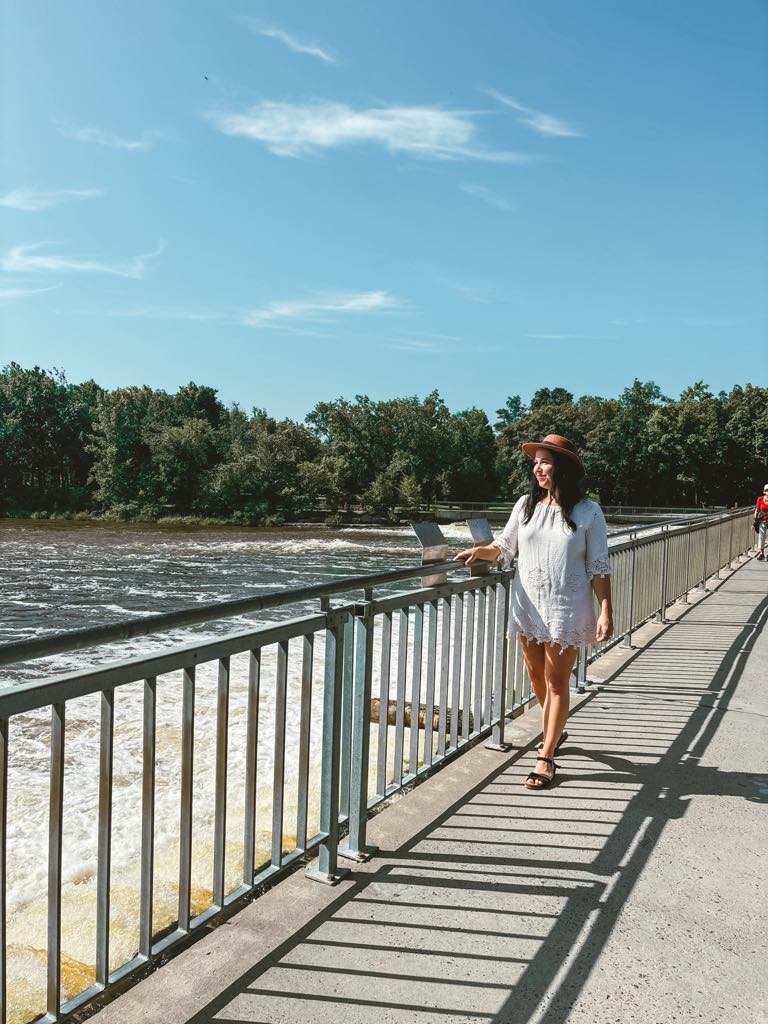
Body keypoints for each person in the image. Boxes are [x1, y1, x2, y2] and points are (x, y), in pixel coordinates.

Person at [457, 434, 613, 790]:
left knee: (558, 683)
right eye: (536, 462)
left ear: (564, 468)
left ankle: (546, 757)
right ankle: (555, 728)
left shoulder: (588, 511)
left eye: (545, 462)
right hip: (528, 606)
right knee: (536, 679)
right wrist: (477, 553)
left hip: (565, 608)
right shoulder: (526, 504)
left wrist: (605, 609)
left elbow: (599, 566)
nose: (537, 468)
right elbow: (503, 546)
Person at [754, 484, 768, 560]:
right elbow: (757, 509)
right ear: (764, 491)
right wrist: (755, 519)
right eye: (767, 490)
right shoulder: (760, 499)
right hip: (763, 519)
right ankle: (761, 553)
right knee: (761, 536)